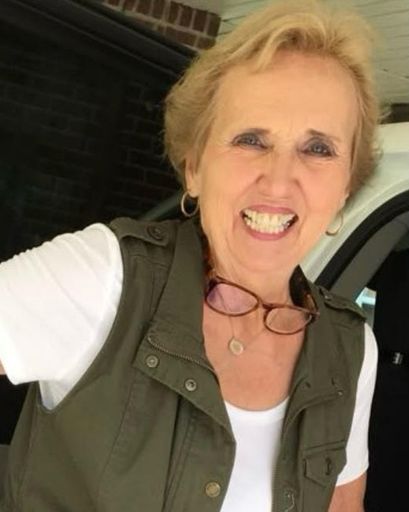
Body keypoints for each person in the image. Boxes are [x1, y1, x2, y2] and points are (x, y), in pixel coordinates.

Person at [0, 0, 381, 510]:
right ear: (195, 167)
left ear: (345, 188)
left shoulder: (350, 349)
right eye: (251, 139)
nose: (279, 180)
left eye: (318, 149)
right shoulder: (107, 278)